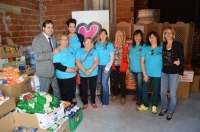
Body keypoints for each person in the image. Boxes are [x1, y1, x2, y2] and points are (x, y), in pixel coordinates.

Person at [159, 27, 184, 120]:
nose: (169, 34)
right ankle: (164, 108)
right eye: (167, 33)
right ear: (165, 35)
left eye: (170, 33)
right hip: (164, 72)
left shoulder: (178, 45)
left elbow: (181, 59)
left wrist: (181, 72)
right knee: (162, 93)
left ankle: (170, 111)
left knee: (172, 94)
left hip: (174, 73)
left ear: (173, 34)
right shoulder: (164, 44)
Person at [32, 20, 60, 99]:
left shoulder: (54, 38)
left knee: (57, 90)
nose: (50, 29)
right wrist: (52, 53)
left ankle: (58, 107)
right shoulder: (37, 39)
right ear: (43, 28)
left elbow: (58, 49)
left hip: (54, 69)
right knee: (44, 93)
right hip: (44, 71)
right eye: (48, 27)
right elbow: (38, 56)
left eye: (52, 27)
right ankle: (44, 110)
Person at [136, 31, 162, 114]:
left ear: (157, 38)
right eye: (150, 37)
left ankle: (154, 106)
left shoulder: (161, 48)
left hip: (158, 74)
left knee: (156, 90)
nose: (152, 39)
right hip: (147, 73)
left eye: (154, 37)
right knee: (144, 89)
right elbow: (142, 62)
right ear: (148, 39)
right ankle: (145, 105)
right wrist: (144, 74)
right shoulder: (145, 49)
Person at [53, 33, 78, 104]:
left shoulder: (70, 49)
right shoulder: (57, 51)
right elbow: (57, 65)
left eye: (66, 39)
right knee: (65, 95)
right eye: (63, 39)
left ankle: (72, 109)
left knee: (72, 92)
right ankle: (66, 110)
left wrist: (76, 66)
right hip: (63, 77)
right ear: (59, 41)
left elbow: (74, 60)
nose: (65, 41)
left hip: (72, 75)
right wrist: (70, 70)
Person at [76, 37, 99, 110]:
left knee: (92, 88)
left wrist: (90, 70)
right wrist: (85, 71)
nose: (89, 43)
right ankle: (85, 103)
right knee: (84, 88)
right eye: (87, 42)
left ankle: (93, 102)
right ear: (83, 43)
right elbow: (77, 62)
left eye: (90, 42)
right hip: (83, 73)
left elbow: (96, 62)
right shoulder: (79, 51)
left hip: (93, 73)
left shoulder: (94, 51)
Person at [95, 28, 114, 107]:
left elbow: (112, 58)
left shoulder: (109, 45)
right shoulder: (96, 44)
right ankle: (103, 99)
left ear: (106, 35)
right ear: (99, 35)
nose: (102, 36)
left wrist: (107, 68)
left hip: (106, 66)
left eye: (104, 34)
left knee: (104, 83)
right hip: (98, 66)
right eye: (101, 34)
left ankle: (105, 102)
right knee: (100, 84)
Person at [66, 18, 84, 100]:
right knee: (71, 80)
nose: (72, 28)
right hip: (70, 62)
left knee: (81, 79)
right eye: (70, 26)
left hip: (80, 61)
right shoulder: (65, 38)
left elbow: (83, 49)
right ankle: (72, 97)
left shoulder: (80, 37)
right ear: (67, 28)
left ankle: (83, 95)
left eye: (74, 26)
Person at [111, 30, 130, 104]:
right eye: (119, 35)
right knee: (115, 81)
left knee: (122, 82)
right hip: (114, 66)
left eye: (122, 35)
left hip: (123, 66)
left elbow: (128, 57)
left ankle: (123, 97)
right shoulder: (112, 44)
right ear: (117, 36)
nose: (121, 37)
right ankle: (115, 94)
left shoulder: (126, 45)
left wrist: (128, 67)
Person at [128, 29, 146, 105]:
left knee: (139, 85)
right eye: (135, 35)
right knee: (137, 84)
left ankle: (139, 98)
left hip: (140, 69)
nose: (137, 37)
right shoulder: (132, 46)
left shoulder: (144, 46)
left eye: (139, 35)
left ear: (141, 37)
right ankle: (137, 96)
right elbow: (129, 56)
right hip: (132, 69)